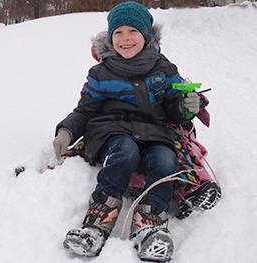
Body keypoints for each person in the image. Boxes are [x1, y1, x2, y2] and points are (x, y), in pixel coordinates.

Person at [53, 2, 200, 262]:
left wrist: (184, 107)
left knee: (165, 159)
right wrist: (66, 130)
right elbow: (85, 110)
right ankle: (97, 221)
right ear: (110, 38)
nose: (125, 39)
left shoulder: (165, 70)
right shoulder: (101, 73)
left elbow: (174, 107)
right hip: (114, 130)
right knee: (124, 151)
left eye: (133, 31)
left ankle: (150, 223)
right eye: (118, 33)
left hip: (156, 132)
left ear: (146, 34)